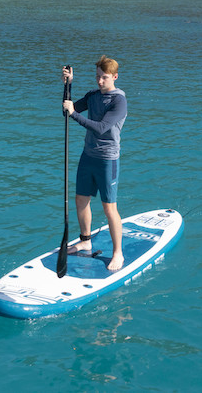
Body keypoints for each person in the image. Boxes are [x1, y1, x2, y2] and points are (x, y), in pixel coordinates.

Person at [62, 56, 128, 271]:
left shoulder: (119, 101)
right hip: (88, 156)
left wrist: (72, 113)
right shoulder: (93, 96)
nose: (100, 81)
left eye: (104, 78)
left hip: (107, 160)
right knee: (81, 199)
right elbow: (68, 109)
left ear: (115, 77)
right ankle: (85, 240)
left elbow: (100, 128)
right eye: (98, 77)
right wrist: (68, 85)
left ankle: (118, 253)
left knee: (109, 208)